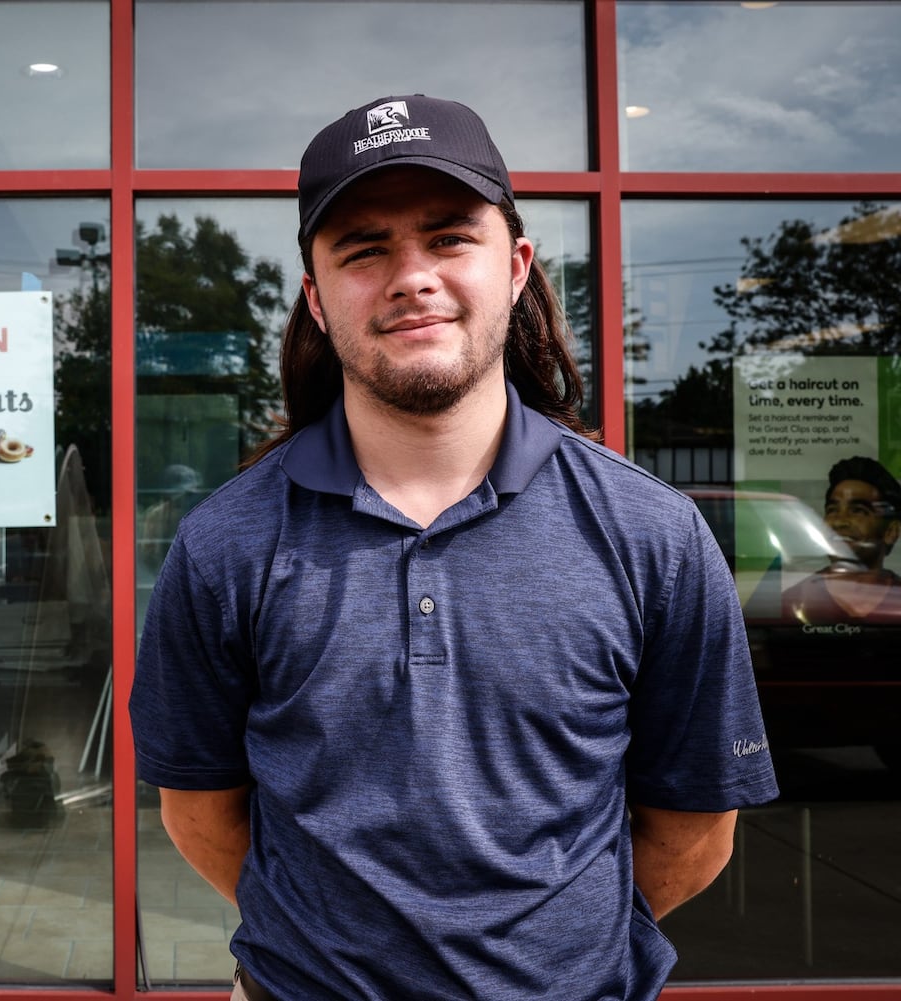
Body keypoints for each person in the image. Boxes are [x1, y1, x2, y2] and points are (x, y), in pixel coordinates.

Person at [129, 95, 780, 1001]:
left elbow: (697, 827)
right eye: (364, 249)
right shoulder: (225, 544)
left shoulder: (651, 535)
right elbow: (199, 812)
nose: (411, 277)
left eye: (448, 238)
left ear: (515, 267)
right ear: (317, 299)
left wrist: (556, 954)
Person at [782, 455, 901, 623]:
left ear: (891, 531)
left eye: (858, 510)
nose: (839, 521)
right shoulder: (793, 602)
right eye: (832, 510)